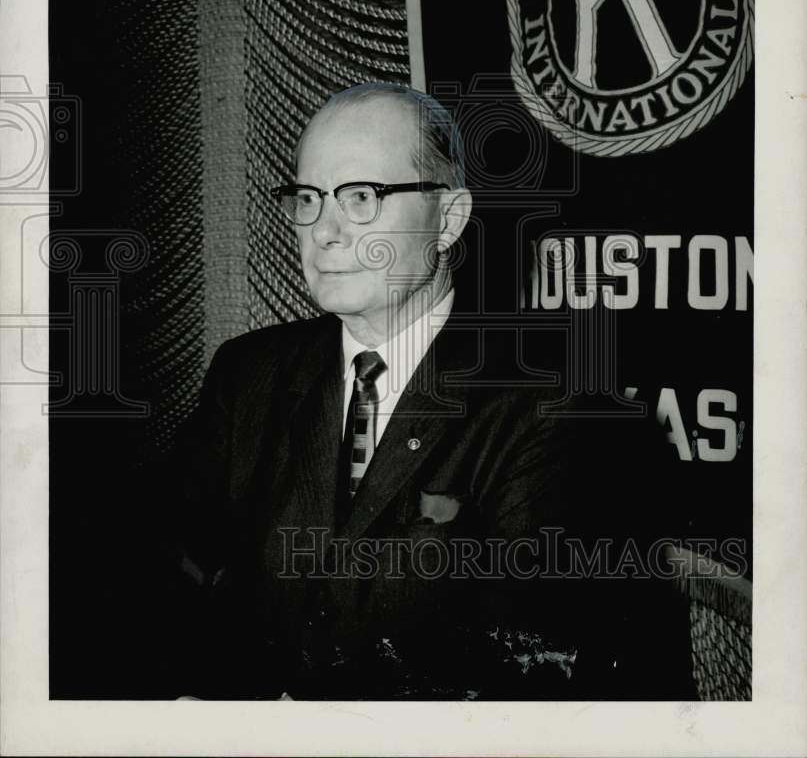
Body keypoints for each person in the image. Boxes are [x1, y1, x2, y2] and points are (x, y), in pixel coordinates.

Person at [173, 82, 695, 700]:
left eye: (362, 198)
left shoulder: (561, 401)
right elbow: (170, 563)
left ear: (448, 219)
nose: (326, 231)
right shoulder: (248, 372)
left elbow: (528, 664)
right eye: (308, 198)